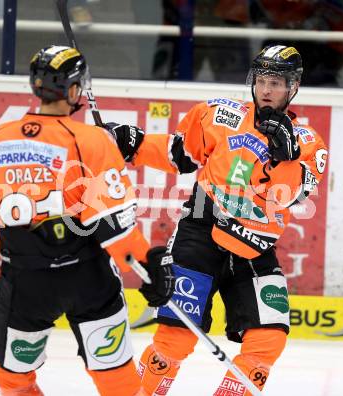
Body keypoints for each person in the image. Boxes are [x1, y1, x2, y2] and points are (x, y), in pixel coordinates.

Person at [107, 45, 328, 395]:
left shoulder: (308, 143)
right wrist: (133, 143)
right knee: (174, 339)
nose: (266, 90)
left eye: (276, 82)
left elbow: (295, 194)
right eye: (261, 81)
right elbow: (181, 153)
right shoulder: (218, 115)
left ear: (294, 87)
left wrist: (286, 157)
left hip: (255, 249)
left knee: (268, 339)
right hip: (202, 234)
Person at [0, 45, 175, 396]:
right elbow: (116, 228)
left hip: (25, 282)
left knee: (13, 381)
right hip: (87, 279)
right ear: (74, 90)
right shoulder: (91, 140)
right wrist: (150, 271)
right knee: (119, 383)